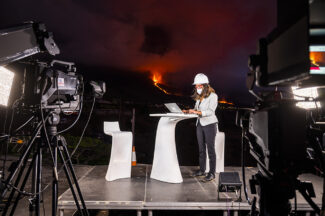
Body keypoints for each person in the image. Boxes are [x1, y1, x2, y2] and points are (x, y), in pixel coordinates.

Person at [183, 73, 218, 182]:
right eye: (196, 86)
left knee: (210, 149)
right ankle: (202, 170)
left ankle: (212, 173)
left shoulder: (213, 96)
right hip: (200, 124)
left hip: (210, 125)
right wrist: (189, 111)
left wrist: (196, 111)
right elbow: (196, 110)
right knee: (201, 149)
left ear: (205, 85)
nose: (197, 88)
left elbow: (210, 111)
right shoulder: (199, 97)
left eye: (199, 86)